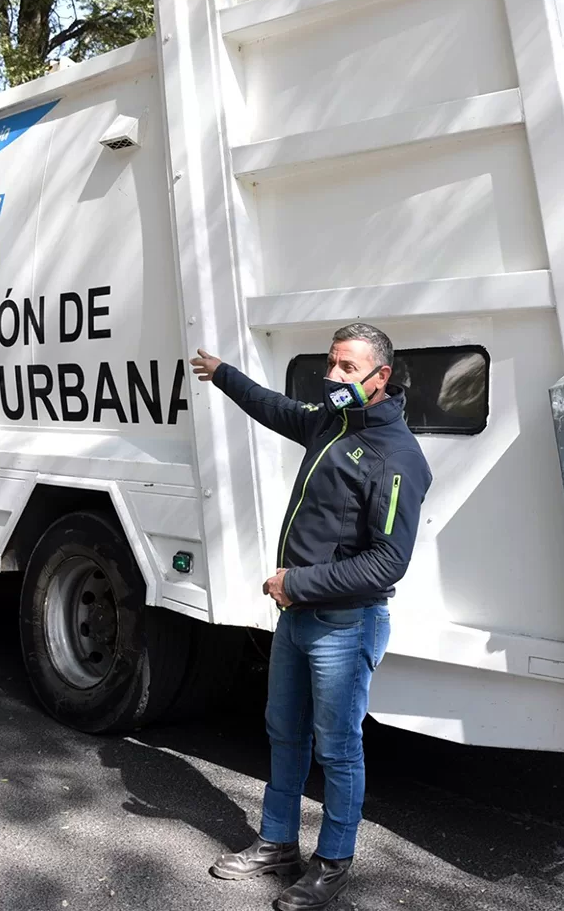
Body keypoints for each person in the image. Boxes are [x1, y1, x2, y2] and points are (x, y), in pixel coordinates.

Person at [191, 323, 433, 911]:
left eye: (348, 368)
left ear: (383, 378)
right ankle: (277, 842)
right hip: (298, 618)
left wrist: (295, 582)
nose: (333, 377)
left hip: (346, 625)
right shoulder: (332, 422)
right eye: (331, 364)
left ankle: (332, 862)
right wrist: (223, 374)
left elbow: (387, 564)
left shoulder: (396, 457)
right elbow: (275, 408)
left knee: (338, 749)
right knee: (283, 731)